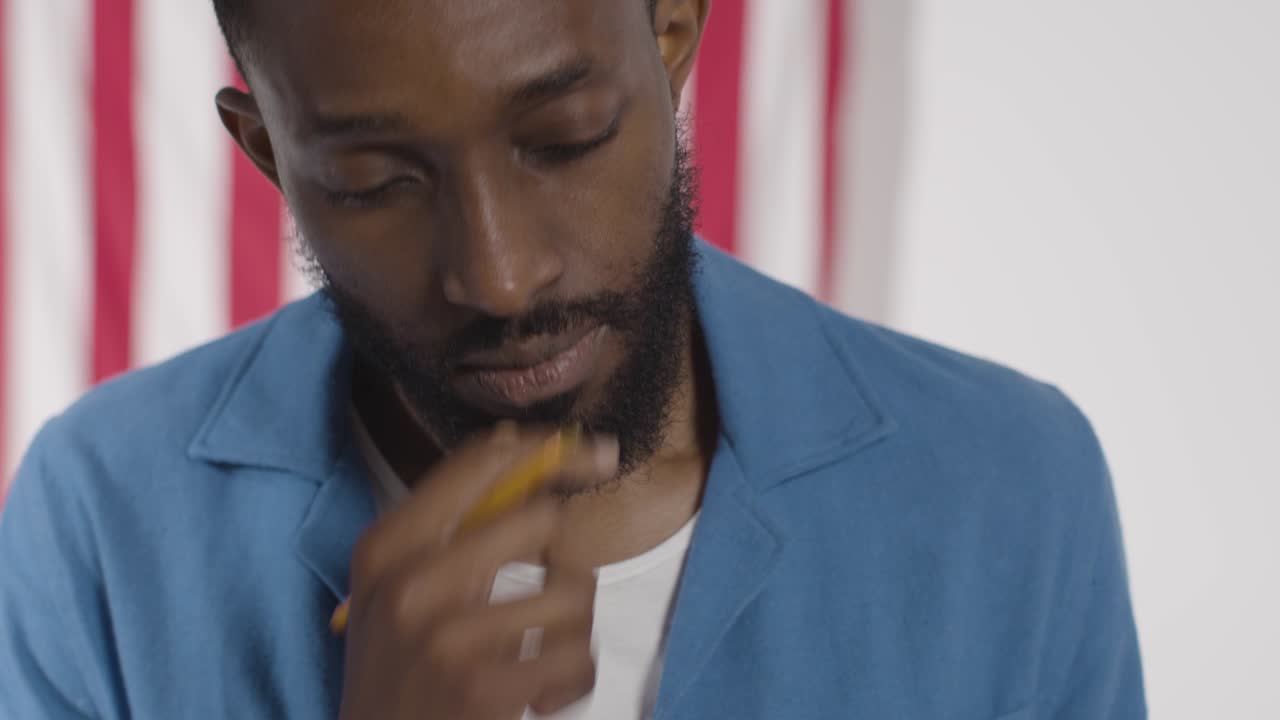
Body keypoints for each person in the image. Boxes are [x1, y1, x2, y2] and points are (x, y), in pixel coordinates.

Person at [0, 1, 1146, 718]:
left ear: (671, 33)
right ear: (268, 154)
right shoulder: (103, 517)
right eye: (376, 183)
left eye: (563, 139)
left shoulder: (1007, 487)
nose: (500, 278)